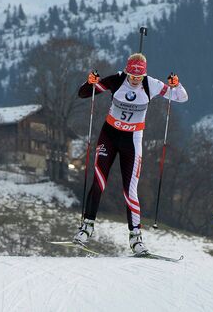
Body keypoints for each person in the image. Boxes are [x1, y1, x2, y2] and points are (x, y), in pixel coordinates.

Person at [74, 52, 188, 255]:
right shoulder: (117, 79)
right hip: (109, 135)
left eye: (139, 77)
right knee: (99, 181)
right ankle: (86, 228)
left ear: (144, 74)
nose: (135, 80)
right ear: (127, 72)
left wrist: (176, 84)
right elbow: (84, 93)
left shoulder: (150, 84)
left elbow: (181, 97)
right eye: (132, 76)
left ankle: (136, 238)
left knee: (130, 190)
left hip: (132, 140)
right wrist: (89, 81)